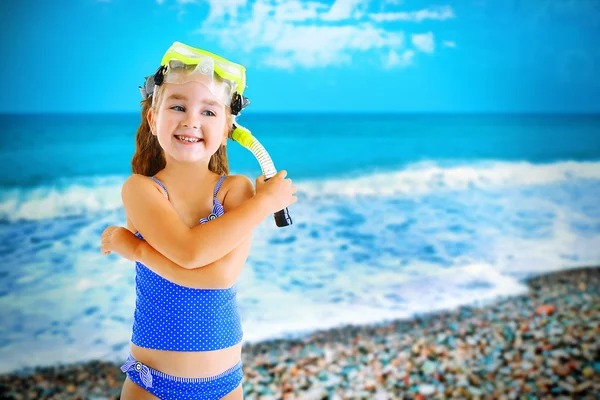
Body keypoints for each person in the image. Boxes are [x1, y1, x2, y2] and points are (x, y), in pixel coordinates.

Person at [100, 42, 297, 400]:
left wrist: (138, 250)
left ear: (227, 129)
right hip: (152, 384)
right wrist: (266, 201)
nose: (191, 120)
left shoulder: (234, 190)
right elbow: (191, 254)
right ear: (152, 118)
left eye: (209, 112)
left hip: (223, 385)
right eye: (178, 106)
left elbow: (220, 277)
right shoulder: (142, 189)